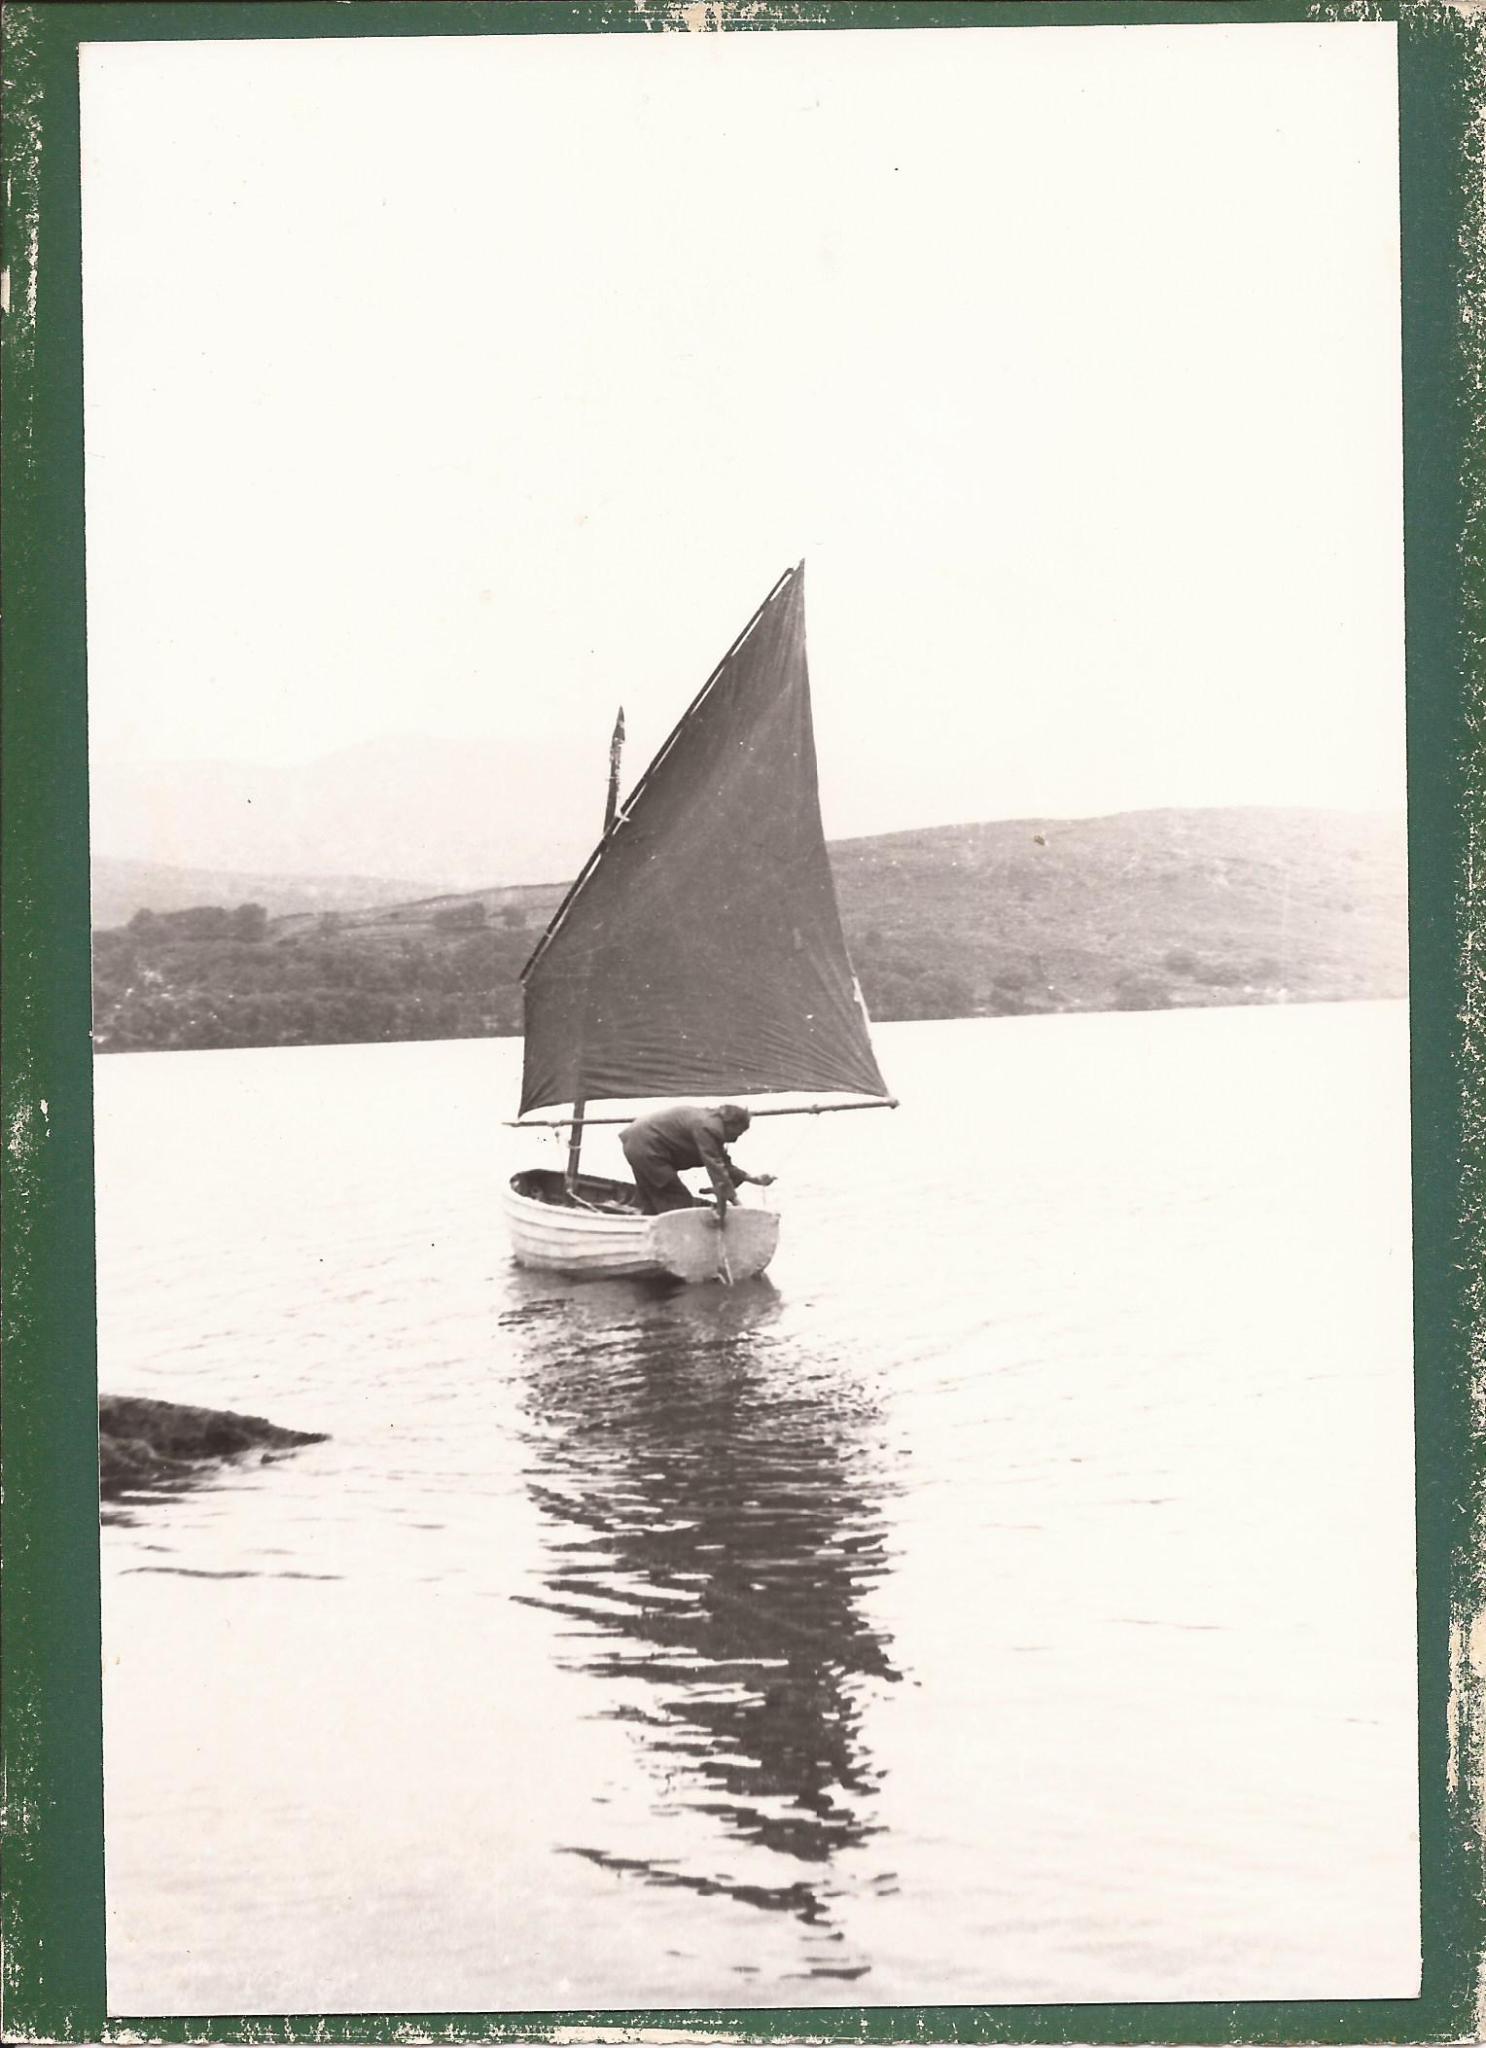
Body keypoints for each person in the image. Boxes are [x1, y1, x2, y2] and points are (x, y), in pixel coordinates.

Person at [619, 1102, 775, 1220]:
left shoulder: (711, 1123)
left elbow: (723, 1163)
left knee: (653, 1201)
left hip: (638, 1143)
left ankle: (647, 1238)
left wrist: (753, 1179)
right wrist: (736, 1205)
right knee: (678, 1200)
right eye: (738, 1133)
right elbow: (715, 1167)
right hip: (648, 1148)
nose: (735, 1140)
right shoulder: (708, 1127)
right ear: (731, 1123)